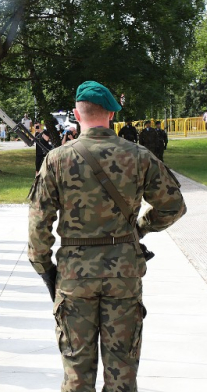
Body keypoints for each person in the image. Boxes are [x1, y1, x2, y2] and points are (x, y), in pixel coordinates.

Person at [28, 80, 186, 392]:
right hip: (123, 274)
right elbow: (173, 206)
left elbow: (38, 225)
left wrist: (46, 269)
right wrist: (138, 229)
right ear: (111, 115)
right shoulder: (139, 157)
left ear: (76, 114)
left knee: (76, 374)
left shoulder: (57, 159)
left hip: (74, 276)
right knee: (122, 373)